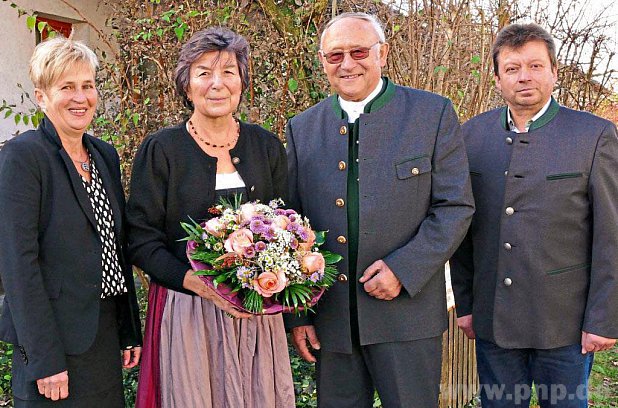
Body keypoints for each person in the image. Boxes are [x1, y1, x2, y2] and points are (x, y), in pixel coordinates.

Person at [285, 12, 475, 408]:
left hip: (406, 316)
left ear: (382, 54)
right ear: (322, 61)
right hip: (332, 321)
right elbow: (293, 224)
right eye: (335, 55)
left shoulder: (432, 114)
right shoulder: (302, 128)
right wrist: (299, 313)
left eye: (358, 51)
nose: (348, 64)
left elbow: (455, 207)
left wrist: (404, 270)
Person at [450, 23, 618, 407]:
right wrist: (467, 304)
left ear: (554, 72)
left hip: (564, 323)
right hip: (494, 320)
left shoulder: (593, 136)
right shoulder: (470, 136)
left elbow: (612, 234)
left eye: (535, 66)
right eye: (512, 68)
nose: (524, 76)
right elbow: (461, 225)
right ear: (496, 79)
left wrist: (603, 318)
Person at [127, 27, 294, 408]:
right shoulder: (161, 149)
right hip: (187, 311)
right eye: (203, 73)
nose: (216, 84)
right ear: (187, 86)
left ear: (242, 84)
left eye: (228, 72)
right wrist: (197, 284)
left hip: (256, 314)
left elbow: (288, 223)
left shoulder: (265, 145)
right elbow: (141, 238)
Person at [0, 36, 142, 407]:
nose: (80, 97)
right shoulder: (23, 158)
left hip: (103, 336)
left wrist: (128, 329)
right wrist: (44, 359)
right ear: (42, 96)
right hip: (54, 345)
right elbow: (18, 266)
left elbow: (115, 247)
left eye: (87, 86)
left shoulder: (104, 156)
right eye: (67, 87)